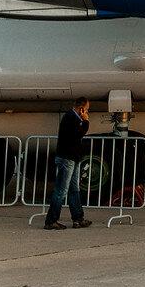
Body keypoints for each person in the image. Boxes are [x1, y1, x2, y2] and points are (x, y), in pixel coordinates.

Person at [45, 97, 92, 230]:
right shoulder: (71, 118)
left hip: (72, 158)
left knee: (74, 189)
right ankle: (51, 220)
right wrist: (86, 121)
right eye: (86, 109)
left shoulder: (72, 118)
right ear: (81, 109)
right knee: (61, 190)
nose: (87, 112)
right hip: (67, 158)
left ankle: (78, 218)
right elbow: (78, 135)